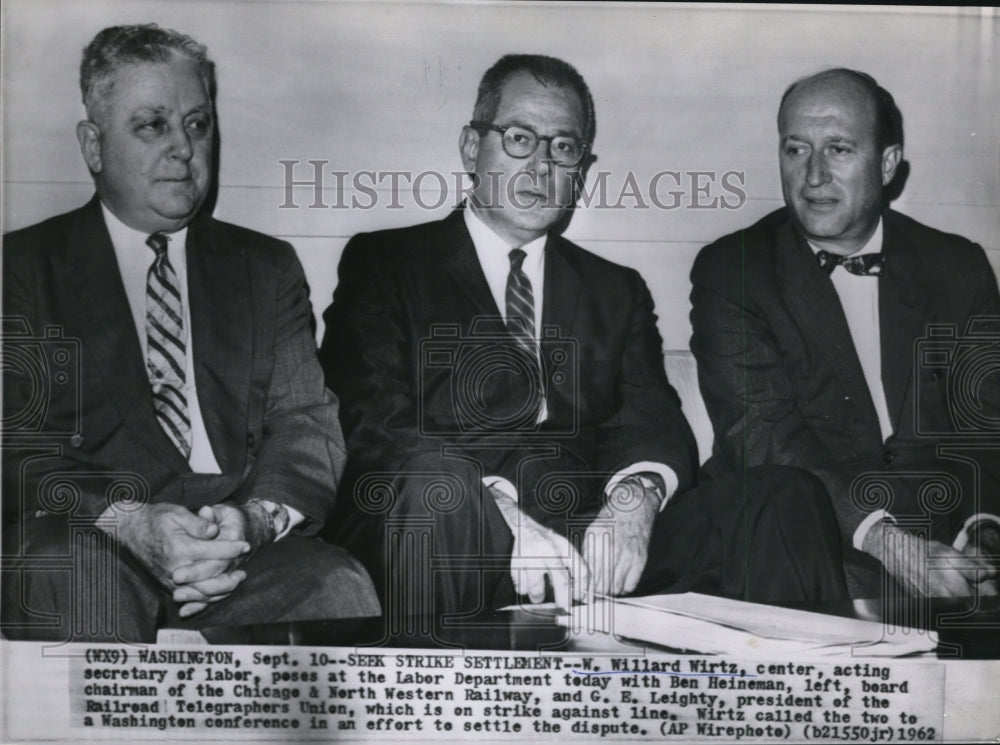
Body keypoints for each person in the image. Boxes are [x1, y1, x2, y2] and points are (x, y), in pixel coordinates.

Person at [320, 54, 847, 621]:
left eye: (564, 147)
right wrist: (497, 510)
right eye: (520, 138)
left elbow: (653, 422)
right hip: (445, 526)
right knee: (434, 491)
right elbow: (374, 426)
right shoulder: (387, 263)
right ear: (473, 148)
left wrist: (634, 503)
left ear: (581, 168)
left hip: (590, 543)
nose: (541, 166)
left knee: (782, 498)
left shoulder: (614, 290)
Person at [1, 24, 379, 643]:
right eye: (152, 125)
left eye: (197, 125)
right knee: (76, 575)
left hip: (235, 542)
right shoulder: (22, 270)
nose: (183, 147)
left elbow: (305, 424)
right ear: (93, 146)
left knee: (337, 585)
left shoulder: (265, 268)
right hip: (89, 532)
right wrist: (128, 521)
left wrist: (250, 522)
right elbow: (14, 444)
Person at [691, 68, 1000, 598]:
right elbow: (763, 436)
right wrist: (888, 542)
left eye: (838, 149)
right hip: (800, 545)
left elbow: (987, 425)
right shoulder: (733, 268)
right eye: (795, 149)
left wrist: (984, 532)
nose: (813, 176)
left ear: (887, 164)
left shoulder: (957, 266)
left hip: (950, 539)